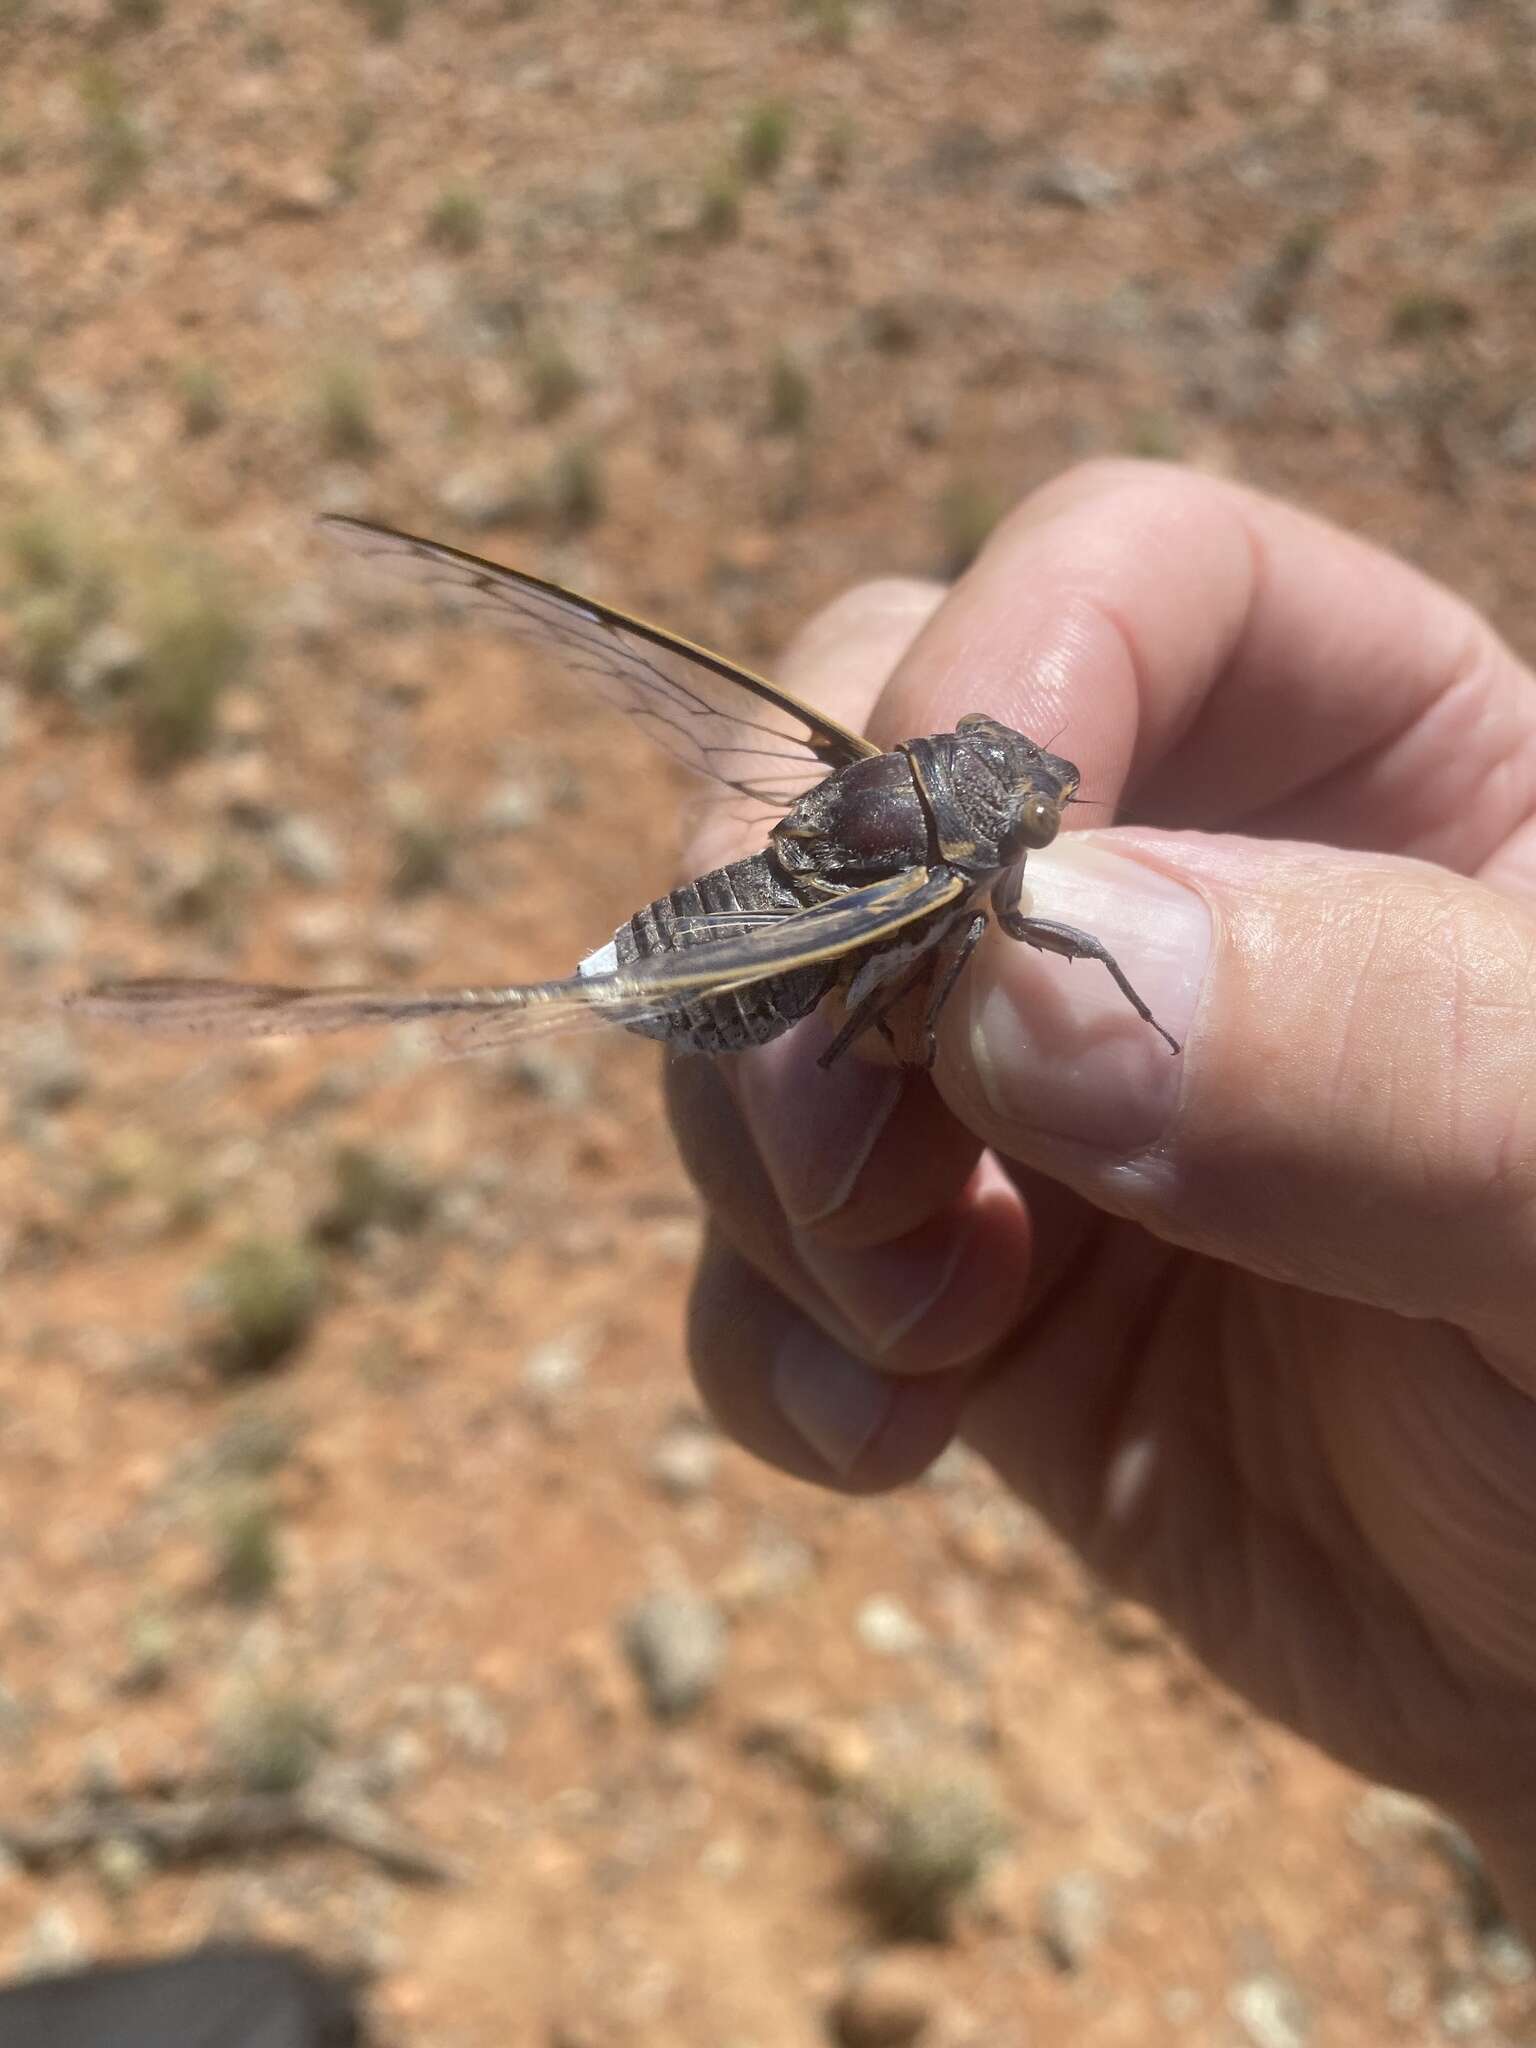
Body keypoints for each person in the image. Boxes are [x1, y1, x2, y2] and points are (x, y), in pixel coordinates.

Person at [664, 460, 1536, 1926]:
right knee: (856, 1049)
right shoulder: (971, 883)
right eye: (1018, 802)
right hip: (782, 954)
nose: (1045, 798)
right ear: (983, 837)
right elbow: (964, 965)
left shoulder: (965, 845)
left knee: (864, 1081)